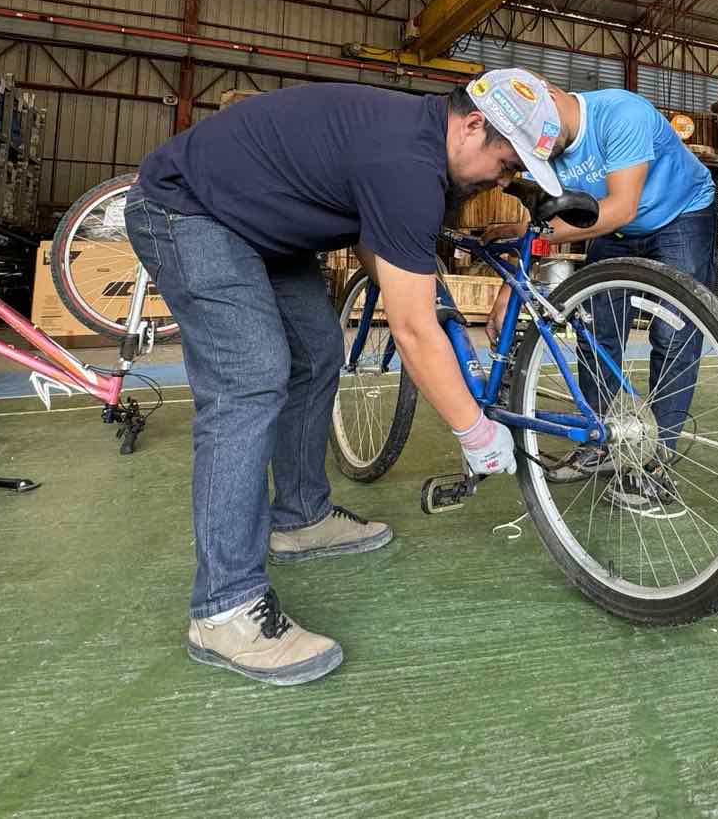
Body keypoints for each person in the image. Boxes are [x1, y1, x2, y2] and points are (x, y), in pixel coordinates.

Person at [124, 69, 563, 686]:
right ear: (471, 125)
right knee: (250, 380)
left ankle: (300, 518)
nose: (505, 179)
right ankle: (223, 609)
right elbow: (412, 333)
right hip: (188, 211)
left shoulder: (416, 143)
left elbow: (375, 238)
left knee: (316, 351)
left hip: (258, 226)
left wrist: (414, 288)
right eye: (507, 162)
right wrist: (474, 431)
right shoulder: (408, 164)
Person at [483, 83, 717, 512]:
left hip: (679, 215)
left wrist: (532, 233)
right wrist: (507, 292)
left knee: (674, 332)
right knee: (595, 330)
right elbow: (542, 229)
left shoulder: (621, 114)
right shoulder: (541, 149)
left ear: (551, 95)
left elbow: (622, 207)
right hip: (614, 230)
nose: (540, 153)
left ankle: (655, 462)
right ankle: (600, 441)